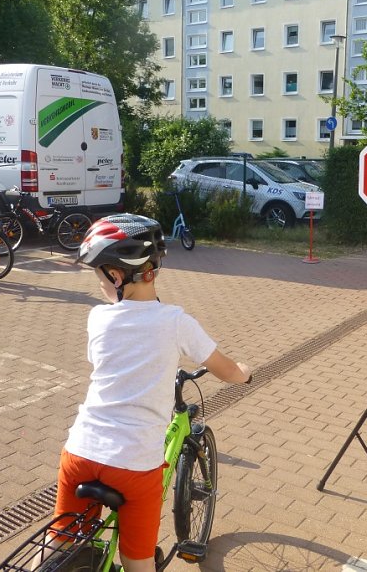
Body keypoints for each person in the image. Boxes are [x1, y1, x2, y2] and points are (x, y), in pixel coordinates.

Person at [51, 214, 251, 572]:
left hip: (80, 452)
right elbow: (225, 368)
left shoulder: (98, 318)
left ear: (116, 276)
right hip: (133, 464)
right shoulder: (176, 322)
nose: (100, 286)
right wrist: (244, 375)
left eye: (100, 277)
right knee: (137, 560)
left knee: (61, 546)